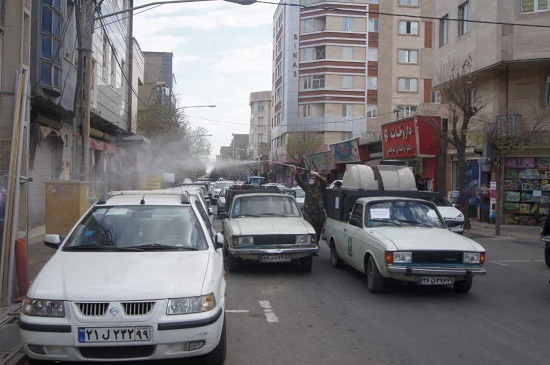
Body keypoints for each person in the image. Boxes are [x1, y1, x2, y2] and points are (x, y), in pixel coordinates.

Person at [291, 166, 327, 251]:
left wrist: (317, 175)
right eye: (311, 177)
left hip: (319, 214)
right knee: (309, 231)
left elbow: (324, 181)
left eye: (314, 178)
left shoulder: (320, 188)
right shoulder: (307, 187)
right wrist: (295, 173)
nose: (312, 179)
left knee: (318, 232)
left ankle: (316, 245)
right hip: (309, 214)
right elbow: (299, 181)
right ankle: (308, 246)